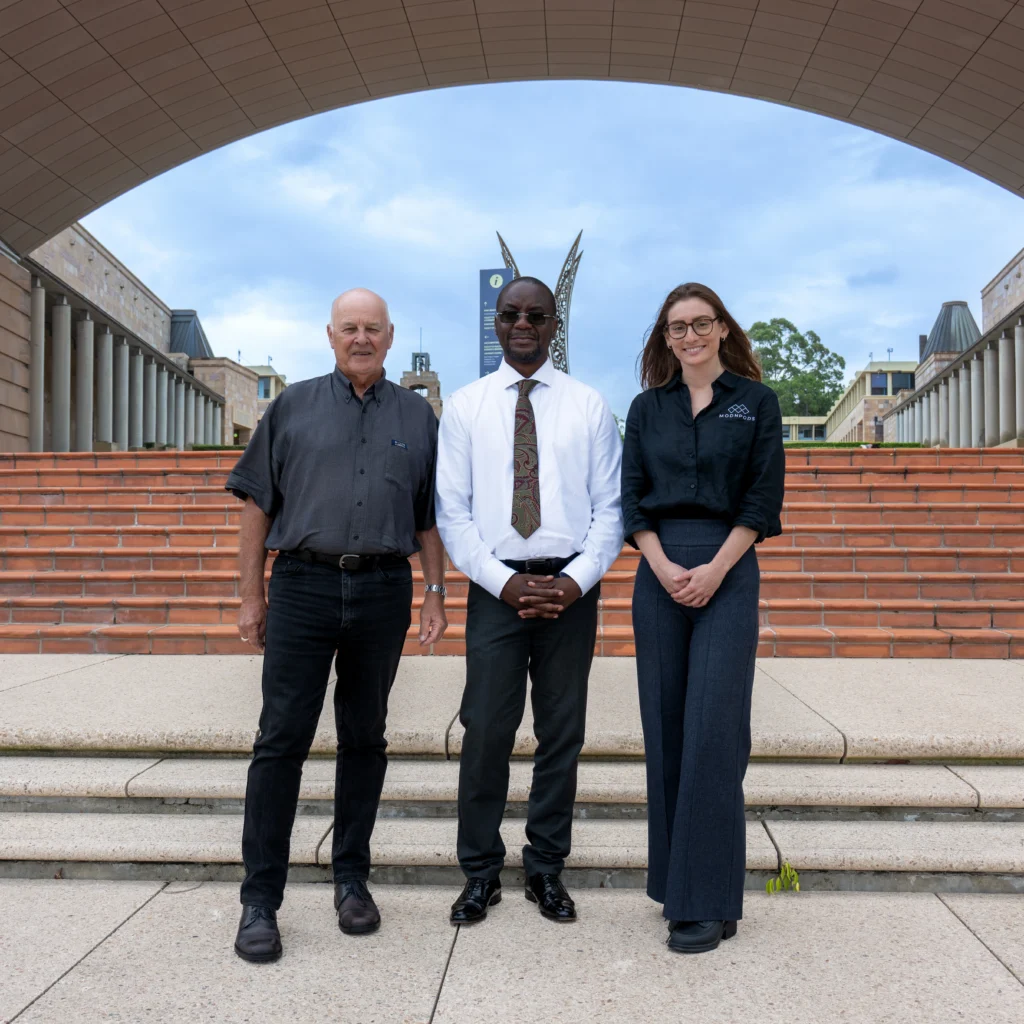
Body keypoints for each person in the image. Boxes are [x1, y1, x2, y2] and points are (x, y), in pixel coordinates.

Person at [226, 288, 447, 963]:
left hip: (384, 588)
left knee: (365, 738)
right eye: (349, 327)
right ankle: (260, 901)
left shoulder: (417, 415)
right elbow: (257, 506)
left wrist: (436, 593)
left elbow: (428, 516)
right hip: (303, 585)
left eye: (372, 328)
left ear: (389, 336)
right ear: (330, 335)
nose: (361, 338)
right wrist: (251, 595)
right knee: (280, 740)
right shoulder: (291, 407)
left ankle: (352, 880)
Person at [436, 276, 623, 926]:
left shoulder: (588, 406)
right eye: (511, 314)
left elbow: (611, 509)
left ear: (554, 325)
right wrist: (502, 581)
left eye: (536, 315)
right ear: (496, 322)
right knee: (487, 730)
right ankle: (479, 872)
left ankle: (545, 867)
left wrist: (576, 581)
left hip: (571, 591)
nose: (523, 324)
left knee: (561, 733)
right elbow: (452, 512)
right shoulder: (466, 407)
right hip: (497, 591)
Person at [621, 282, 784, 954]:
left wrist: (715, 569)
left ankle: (709, 899)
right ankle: (677, 886)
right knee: (666, 730)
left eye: (699, 324)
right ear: (665, 338)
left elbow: (762, 498)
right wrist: (662, 565)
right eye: (676, 327)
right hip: (659, 570)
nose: (688, 336)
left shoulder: (756, 403)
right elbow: (632, 500)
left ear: (722, 328)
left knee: (714, 732)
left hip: (729, 567)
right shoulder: (646, 408)